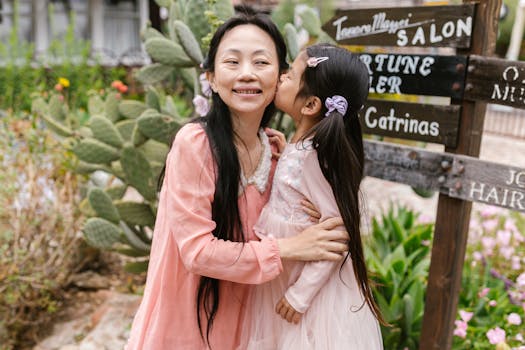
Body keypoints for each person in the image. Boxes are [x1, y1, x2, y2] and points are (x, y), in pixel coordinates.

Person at [125, 14, 350, 350]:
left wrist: (313, 220)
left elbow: (320, 230)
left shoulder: (278, 154)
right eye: (232, 61)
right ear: (212, 78)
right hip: (188, 325)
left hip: (254, 327)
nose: (247, 73)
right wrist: (291, 247)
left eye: (261, 61)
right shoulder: (196, 144)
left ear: (281, 77)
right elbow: (198, 251)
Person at [240, 44, 385, 349]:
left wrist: (299, 295)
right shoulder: (304, 148)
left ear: (310, 105)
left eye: (290, 75)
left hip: (305, 288)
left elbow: (338, 232)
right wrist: (287, 149)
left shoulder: (314, 158)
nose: (281, 78)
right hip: (286, 272)